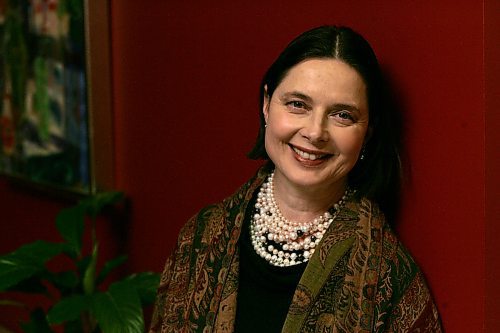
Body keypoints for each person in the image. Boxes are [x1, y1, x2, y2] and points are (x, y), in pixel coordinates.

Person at [150, 26, 442, 332]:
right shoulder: (199, 238)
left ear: (366, 134)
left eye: (343, 115)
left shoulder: (387, 272)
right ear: (266, 104)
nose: (315, 132)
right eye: (298, 105)